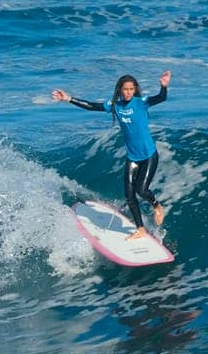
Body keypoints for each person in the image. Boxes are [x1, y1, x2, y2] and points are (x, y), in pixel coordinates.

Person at [52, 71, 171, 240]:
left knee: (141, 190)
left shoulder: (141, 103)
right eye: (125, 89)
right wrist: (69, 98)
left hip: (149, 156)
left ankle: (157, 206)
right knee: (129, 196)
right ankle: (140, 229)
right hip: (133, 157)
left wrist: (163, 86)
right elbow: (92, 106)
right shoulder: (115, 105)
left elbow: (160, 98)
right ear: (120, 90)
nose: (128, 92)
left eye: (131, 89)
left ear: (135, 89)